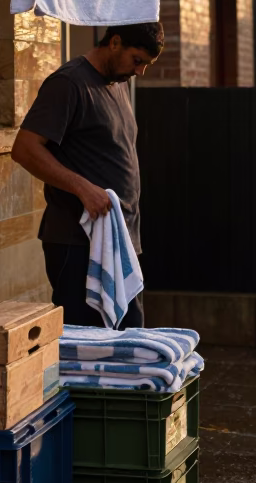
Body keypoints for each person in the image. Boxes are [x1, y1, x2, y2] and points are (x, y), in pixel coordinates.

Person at [10, 21, 164, 327]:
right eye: (137, 61)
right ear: (115, 42)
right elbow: (24, 149)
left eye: (146, 65)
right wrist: (82, 187)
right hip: (78, 243)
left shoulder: (118, 83)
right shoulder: (69, 83)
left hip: (119, 242)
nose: (139, 72)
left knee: (128, 344)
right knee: (87, 349)